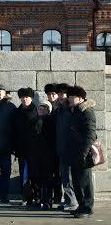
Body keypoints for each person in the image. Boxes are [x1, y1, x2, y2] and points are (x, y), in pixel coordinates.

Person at [64, 85, 96, 218]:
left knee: (85, 182)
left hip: (83, 153)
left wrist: (84, 153)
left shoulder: (86, 111)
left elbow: (90, 134)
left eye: (72, 97)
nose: (70, 99)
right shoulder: (73, 111)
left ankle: (87, 209)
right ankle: (81, 206)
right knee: (76, 182)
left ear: (81, 98)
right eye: (69, 97)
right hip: (73, 152)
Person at [12, 87, 38, 206]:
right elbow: (14, 131)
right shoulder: (17, 112)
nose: (24, 99)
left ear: (31, 98)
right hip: (21, 149)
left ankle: (36, 196)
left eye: (27, 97)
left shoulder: (37, 111)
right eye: (22, 97)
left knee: (35, 173)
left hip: (34, 148)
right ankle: (26, 196)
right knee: (24, 174)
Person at [28, 101, 56, 210]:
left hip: (48, 155)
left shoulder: (51, 121)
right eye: (40, 109)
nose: (41, 110)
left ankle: (47, 201)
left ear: (48, 110)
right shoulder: (34, 121)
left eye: (44, 109)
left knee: (47, 180)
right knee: (37, 179)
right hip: (36, 155)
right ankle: (39, 199)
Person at [54, 83, 78, 211]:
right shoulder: (59, 109)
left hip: (70, 149)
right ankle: (69, 200)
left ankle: (73, 203)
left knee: (69, 177)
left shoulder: (71, 109)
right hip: (61, 148)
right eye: (59, 94)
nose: (61, 96)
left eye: (63, 93)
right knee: (64, 177)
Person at [44, 83, 62, 205]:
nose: (51, 96)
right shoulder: (45, 106)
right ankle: (49, 197)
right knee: (50, 174)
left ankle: (58, 196)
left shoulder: (60, 107)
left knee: (59, 174)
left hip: (59, 145)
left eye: (53, 94)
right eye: (49, 94)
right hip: (48, 146)